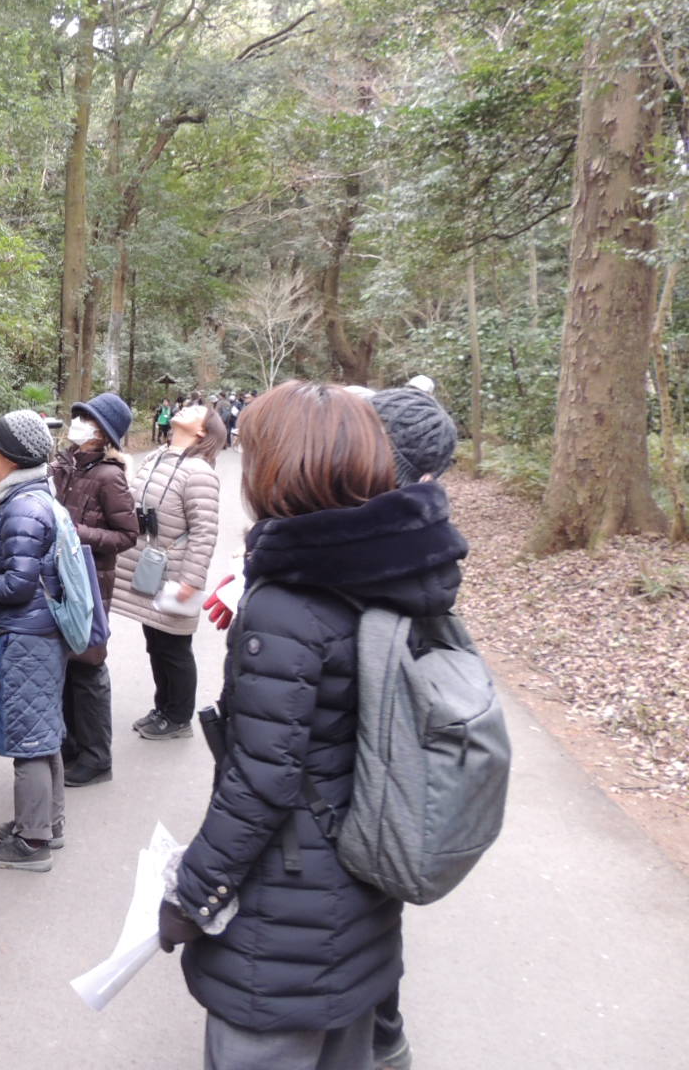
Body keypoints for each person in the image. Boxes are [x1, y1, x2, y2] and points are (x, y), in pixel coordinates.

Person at [158, 381, 467, 1070]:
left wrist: (193, 891)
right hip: (361, 892)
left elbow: (262, 780)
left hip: (284, 915)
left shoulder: (289, 602)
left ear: (283, 469)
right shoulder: (394, 567)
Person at [363, 385, 459, 1070]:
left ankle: (379, 1029)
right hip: (391, 766)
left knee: (361, 893)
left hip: (367, 757)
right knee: (374, 896)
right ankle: (383, 1029)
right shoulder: (423, 534)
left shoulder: (372, 537)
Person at [0, 409, 67, 872]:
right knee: (43, 731)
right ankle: (48, 824)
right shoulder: (34, 494)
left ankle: (32, 842)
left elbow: (17, 586)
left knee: (28, 739)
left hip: (27, 636)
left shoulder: (23, 507)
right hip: (40, 632)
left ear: (11, 455)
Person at [111, 403, 223, 742]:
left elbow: (205, 531)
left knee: (174, 647)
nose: (187, 408)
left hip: (174, 573)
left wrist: (191, 581)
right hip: (151, 568)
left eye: (197, 410)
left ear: (202, 431)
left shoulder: (200, 472)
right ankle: (163, 709)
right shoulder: (158, 456)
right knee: (157, 642)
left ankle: (178, 717)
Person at [50, 392, 139, 787]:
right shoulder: (65, 465)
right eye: (79, 417)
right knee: (67, 665)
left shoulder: (109, 476)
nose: (79, 424)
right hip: (64, 579)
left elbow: (127, 535)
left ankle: (97, 757)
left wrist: (77, 533)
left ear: (103, 433)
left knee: (88, 667)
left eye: (87, 420)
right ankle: (71, 745)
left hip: (92, 580)